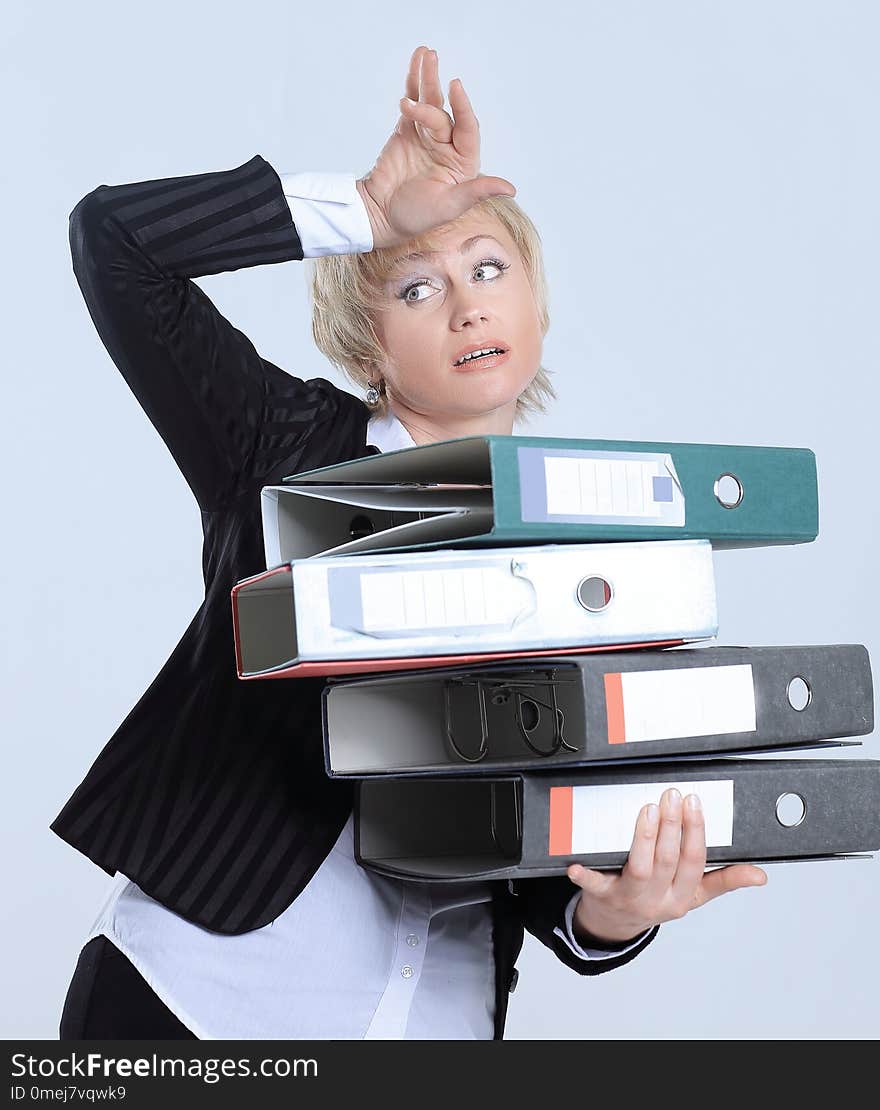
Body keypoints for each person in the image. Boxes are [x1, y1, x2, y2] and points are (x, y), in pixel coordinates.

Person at [54, 45, 767, 1040]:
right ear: (365, 343)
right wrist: (363, 213)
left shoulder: (603, 565)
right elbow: (114, 241)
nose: (469, 301)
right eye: (417, 286)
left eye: (487, 268)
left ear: (537, 307)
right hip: (195, 1000)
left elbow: (548, 846)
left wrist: (610, 912)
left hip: (432, 1022)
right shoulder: (284, 449)